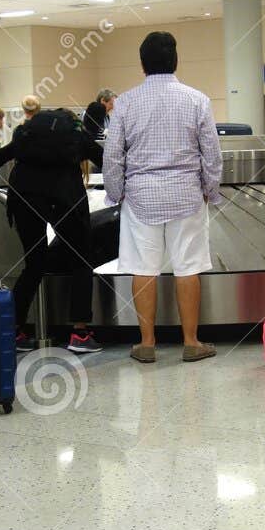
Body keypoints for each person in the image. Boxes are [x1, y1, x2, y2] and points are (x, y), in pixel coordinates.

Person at [102, 31, 223, 363]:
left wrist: (116, 193)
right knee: (188, 267)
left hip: (140, 197)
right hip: (187, 195)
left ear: (142, 64)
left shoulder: (125, 102)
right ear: (175, 60)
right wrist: (210, 190)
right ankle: (191, 342)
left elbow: (112, 156)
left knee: (143, 268)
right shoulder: (197, 100)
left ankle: (147, 343)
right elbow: (212, 153)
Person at [0, 106, 105, 355]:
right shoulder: (75, 134)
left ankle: (14, 331)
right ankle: (79, 334)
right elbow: (104, 160)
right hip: (64, 200)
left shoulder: (29, 135)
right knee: (81, 261)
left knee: (34, 264)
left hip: (24, 198)